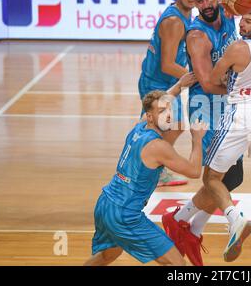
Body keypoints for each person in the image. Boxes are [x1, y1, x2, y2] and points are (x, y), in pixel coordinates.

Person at [162, 0, 247, 266]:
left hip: (228, 105)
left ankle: (185, 224)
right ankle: (183, 223)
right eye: (200, 1)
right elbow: (209, 84)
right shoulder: (197, 36)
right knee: (224, 177)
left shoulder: (226, 10)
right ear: (195, 4)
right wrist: (244, 87)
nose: (207, 5)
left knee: (232, 177)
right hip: (207, 107)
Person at [84, 74, 208, 266]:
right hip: (125, 214)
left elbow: (158, 104)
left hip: (105, 204)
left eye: (169, 109)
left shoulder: (140, 127)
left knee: (106, 256)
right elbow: (194, 171)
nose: (168, 114)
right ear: (151, 117)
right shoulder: (158, 147)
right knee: (176, 264)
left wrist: (179, 86)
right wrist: (197, 139)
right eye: (162, 111)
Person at [138, 0, 196, 187]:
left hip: (164, 81)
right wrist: (198, 78)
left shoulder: (186, 14)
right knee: (161, 127)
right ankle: (148, 170)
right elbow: (167, 64)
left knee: (173, 126)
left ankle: (153, 169)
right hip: (156, 82)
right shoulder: (174, 21)